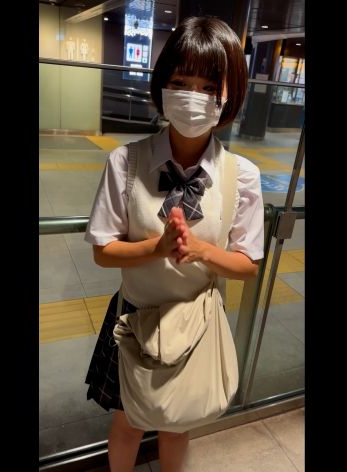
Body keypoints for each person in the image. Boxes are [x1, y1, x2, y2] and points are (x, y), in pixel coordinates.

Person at [83, 16, 264, 472]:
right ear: (162, 85)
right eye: (181, 83)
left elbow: (248, 266)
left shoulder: (242, 176)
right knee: (128, 422)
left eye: (209, 87)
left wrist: (201, 250)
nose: (192, 96)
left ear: (229, 95)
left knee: (178, 425)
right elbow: (102, 251)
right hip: (134, 317)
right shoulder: (125, 162)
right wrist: (157, 248)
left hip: (196, 322)